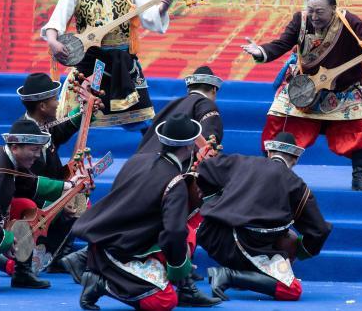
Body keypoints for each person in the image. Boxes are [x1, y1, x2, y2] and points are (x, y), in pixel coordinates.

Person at [241, 0, 362, 191]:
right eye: (311, 10)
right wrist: (261, 51)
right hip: (305, 88)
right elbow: (282, 44)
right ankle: (272, 172)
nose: (314, 16)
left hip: (343, 91)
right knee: (277, 118)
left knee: (361, 124)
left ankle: (359, 176)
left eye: (319, 12)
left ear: (333, 9)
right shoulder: (300, 20)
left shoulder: (349, 22)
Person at [70, 114, 220, 310]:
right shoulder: (175, 182)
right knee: (164, 300)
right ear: (190, 146)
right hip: (119, 250)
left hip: (108, 240)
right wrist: (179, 268)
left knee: (184, 237)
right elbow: (173, 233)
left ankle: (185, 287)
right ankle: (100, 284)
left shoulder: (137, 159)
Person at [41, 0, 173, 130]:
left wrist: (162, 8)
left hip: (123, 64)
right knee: (77, 120)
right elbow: (55, 22)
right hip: (91, 63)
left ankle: (153, 149)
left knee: (144, 121)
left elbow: (150, 15)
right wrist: (52, 41)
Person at [197, 132, 332, 301]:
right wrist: (297, 251)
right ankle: (229, 275)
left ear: (269, 152)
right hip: (246, 244)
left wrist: (214, 202)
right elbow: (319, 231)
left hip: (210, 234)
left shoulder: (241, 161)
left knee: (272, 239)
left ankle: (243, 273)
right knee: (292, 290)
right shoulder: (296, 185)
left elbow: (206, 167)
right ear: (295, 159)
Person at [0, 120, 61, 292]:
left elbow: (29, 184)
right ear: (16, 147)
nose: (38, 155)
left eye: (39, 150)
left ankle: (21, 273)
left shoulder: (5, 158)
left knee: (25, 206)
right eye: (34, 150)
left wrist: (70, 187)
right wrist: (5, 241)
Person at [16, 72, 93, 272]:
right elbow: (26, 185)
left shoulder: (40, 125)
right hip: (29, 204)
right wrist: (60, 199)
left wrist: (84, 110)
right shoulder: (25, 137)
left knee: (80, 197)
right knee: (76, 202)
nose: (58, 103)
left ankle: (59, 253)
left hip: (49, 192)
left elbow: (59, 131)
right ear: (42, 106)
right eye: (55, 99)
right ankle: (42, 252)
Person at [139, 65, 223, 153]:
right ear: (214, 90)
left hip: (144, 157)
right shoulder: (206, 104)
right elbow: (208, 146)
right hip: (176, 160)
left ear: (188, 90)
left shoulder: (172, 104)